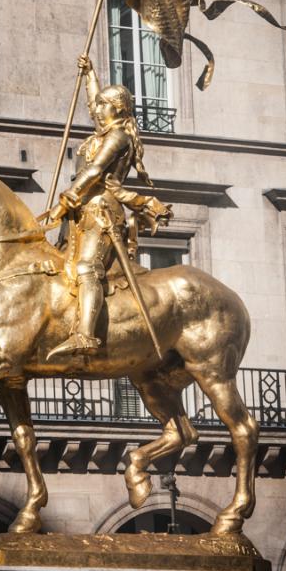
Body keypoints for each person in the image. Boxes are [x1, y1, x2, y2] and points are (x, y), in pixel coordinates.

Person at [47, 55, 170, 360]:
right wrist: (90, 76)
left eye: (103, 104)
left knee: (88, 268)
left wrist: (66, 199)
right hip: (81, 213)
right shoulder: (102, 132)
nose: (97, 109)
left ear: (117, 109)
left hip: (101, 212)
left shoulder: (118, 136)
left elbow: (95, 171)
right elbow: (91, 104)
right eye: (99, 104)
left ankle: (86, 335)